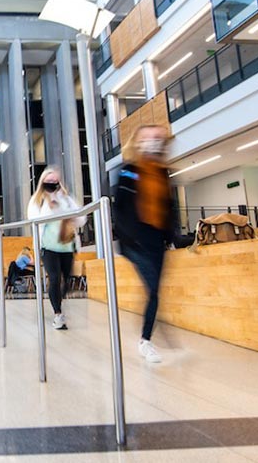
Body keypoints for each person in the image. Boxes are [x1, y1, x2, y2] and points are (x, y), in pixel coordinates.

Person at [114, 125, 179, 364]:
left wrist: (172, 237)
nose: (153, 142)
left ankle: (150, 332)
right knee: (152, 288)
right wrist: (126, 236)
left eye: (158, 138)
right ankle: (146, 340)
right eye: (148, 138)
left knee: (155, 292)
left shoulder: (163, 172)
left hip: (156, 239)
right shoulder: (129, 171)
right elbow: (119, 206)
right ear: (138, 142)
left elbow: (169, 207)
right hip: (135, 240)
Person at [27, 167, 83, 331]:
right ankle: (58, 314)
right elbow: (34, 219)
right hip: (48, 246)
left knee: (68, 279)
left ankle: (60, 301)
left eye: (55, 181)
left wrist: (69, 214)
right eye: (49, 181)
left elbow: (81, 217)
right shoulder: (37, 200)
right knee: (54, 277)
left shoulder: (66, 198)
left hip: (66, 246)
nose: (52, 184)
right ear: (43, 182)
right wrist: (51, 207)